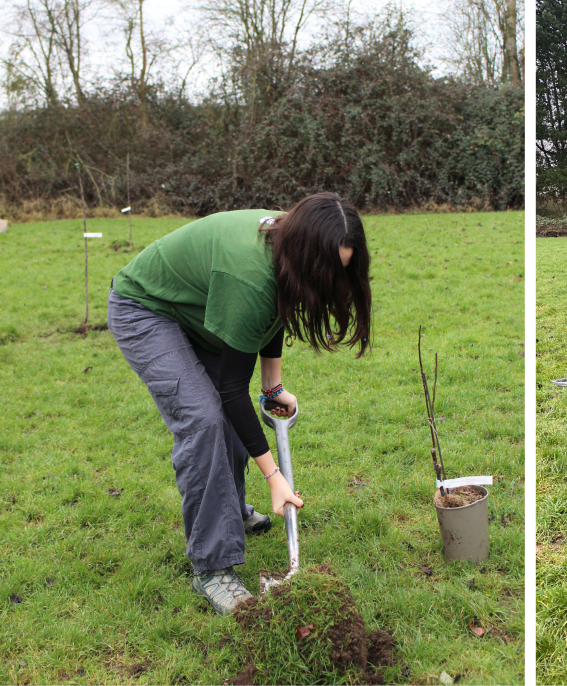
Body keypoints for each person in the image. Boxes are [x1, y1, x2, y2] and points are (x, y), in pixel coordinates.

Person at [107, 192, 372, 615]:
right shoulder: (249, 274)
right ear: (305, 255)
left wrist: (272, 387)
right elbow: (232, 389)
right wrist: (274, 477)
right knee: (206, 418)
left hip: (202, 311)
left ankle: (229, 512)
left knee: (227, 419)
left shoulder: (286, 248)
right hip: (147, 310)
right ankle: (212, 568)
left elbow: (274, 308)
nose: (334, 284)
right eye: (328, 273)